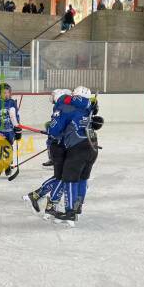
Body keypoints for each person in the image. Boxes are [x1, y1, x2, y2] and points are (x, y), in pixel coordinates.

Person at [39, 86, 99, 224]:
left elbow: (54, 131)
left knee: (70, 180)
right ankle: (78, 208)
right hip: (92, 148)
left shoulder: (67, 108)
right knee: (82, 179)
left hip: (77, 149)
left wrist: (51, 129)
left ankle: (70, 212)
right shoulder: (89, 106)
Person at [24, 89, 72, 213]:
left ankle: (37, 196)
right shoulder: (60, 108)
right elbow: (55, 128)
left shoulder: (61, 107)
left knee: (60, 177)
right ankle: (44, 201)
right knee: (61, 177)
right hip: (58, 146)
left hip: (59, 146)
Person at [0, 83, 21, 176]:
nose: (7, 94)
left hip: (9, 131)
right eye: (4, 93)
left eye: (8, 92)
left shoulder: (12, 102)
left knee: (8, 149)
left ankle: (7, 165)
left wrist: (17, 129)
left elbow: (16, 116)